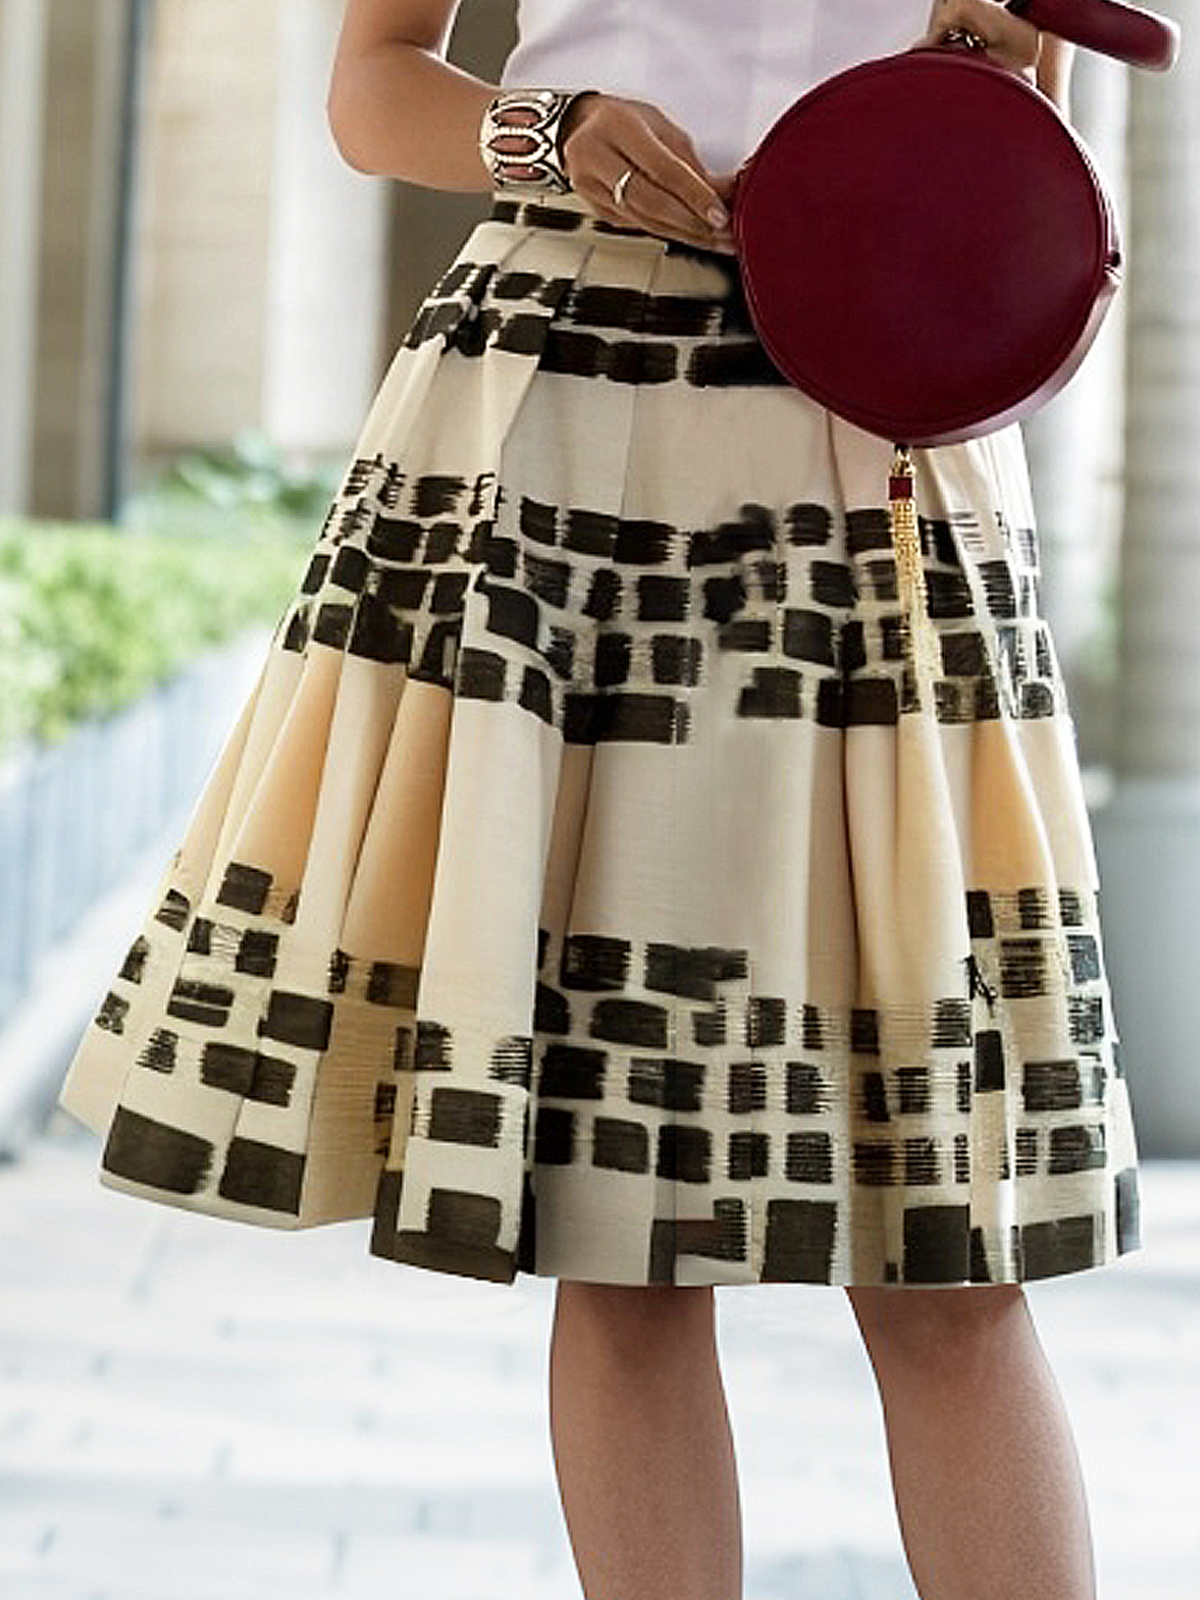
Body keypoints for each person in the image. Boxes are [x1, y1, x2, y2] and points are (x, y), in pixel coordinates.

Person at [57, 1, 1142, 1597]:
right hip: (569, 399)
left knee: (948, 1235)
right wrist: (547, 133)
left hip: (888, 380)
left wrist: (994, 65)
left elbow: (1038, 102)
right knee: (620, 1230)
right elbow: (373, 88)